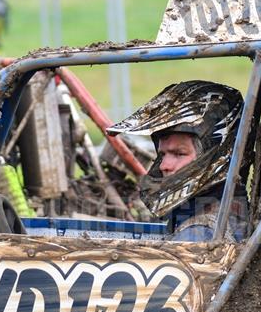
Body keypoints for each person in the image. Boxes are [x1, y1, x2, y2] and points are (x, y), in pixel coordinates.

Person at [106, 81, 248, 242]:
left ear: (214, 156)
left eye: (179, 153)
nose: (164, 166)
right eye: (163, 154)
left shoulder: (198, 234)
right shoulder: (218, 209)